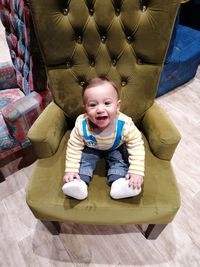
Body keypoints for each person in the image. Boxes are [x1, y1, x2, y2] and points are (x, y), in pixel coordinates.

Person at [62, 77, 145, 200]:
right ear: (85, 108)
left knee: (119, 161)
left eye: (107, 103)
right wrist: (70, 169)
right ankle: (78, 184)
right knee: (85, 160)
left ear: (117, 106)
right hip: (91, 148)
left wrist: (136, 171)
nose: (100, 110)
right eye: (93, 105)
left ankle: (119, 184)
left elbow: (136, 145)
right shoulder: (81, 124)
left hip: (115, 147)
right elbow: (74, 147)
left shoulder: (124, 124)